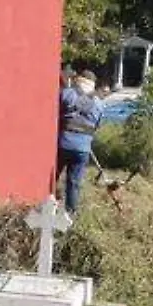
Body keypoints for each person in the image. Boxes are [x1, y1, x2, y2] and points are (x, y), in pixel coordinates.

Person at [56, 70, 104, 213]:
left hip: (63, 144)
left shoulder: (67, 94)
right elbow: (97, 126)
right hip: (83, 149)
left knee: (52, 177)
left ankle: (46, 205)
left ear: (79, 80)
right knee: (74, 183)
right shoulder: (99, 103)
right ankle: (71, 214)